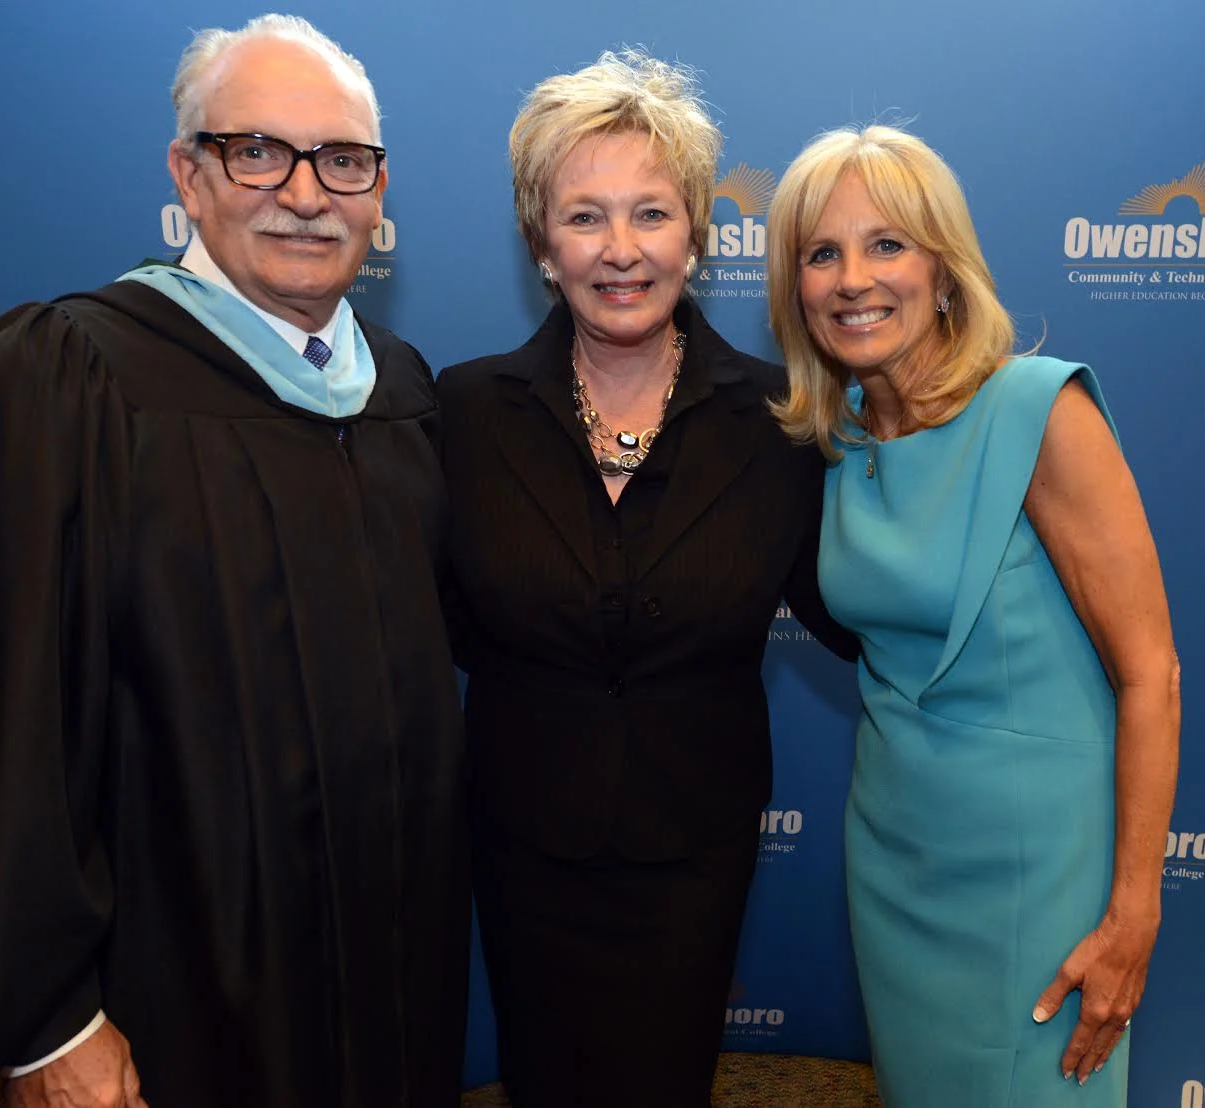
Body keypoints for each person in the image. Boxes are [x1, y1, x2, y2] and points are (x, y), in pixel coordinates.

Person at [0, 15, 468, 1107]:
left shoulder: (403, 393)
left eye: (342, 161)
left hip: (396, 981)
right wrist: (44, 1023)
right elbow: (2, 722)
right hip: (170, 1003)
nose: (304, 193)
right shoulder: (69, 380)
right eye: (258, 152)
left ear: (378, 192)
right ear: (188, 177)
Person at [436, 51, 857, 1108]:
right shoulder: (460, 414)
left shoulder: (782, 422)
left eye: (651, 214)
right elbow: (429, 621)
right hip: (524, 839)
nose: (619, 251)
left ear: (697, 235)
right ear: (540, 244)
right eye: (584, 218)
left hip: (693, 846)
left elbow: (859, 614)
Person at [766, 125, 1180, 1107]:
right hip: (896, 860)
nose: (852, 278)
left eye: (886, 244)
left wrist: (1133, 914)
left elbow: (1149, 674)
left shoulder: (1039, 410)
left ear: (942, 269)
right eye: (821, 252)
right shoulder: (838, 438)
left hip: (1037, 872)